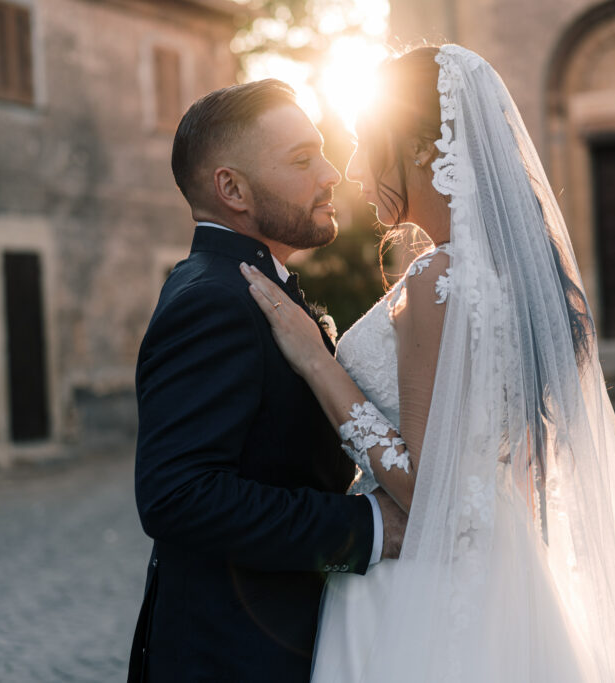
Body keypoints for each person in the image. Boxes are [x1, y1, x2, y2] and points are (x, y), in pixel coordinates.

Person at [241, 45, 615, 681]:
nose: (352, 169)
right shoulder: (510, 275)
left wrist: (314, 360)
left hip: (422, 584)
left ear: (418, 149)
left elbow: (427, 486)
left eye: (363, 141)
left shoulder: (439, 277)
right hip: (502, 560)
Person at [128, 78, 407, 683]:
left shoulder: (255, 284)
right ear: (231, 187)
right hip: (233, 657)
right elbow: (177, 494)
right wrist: (369, 527)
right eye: (303, 160)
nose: (332, 173)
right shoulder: (214, 299)